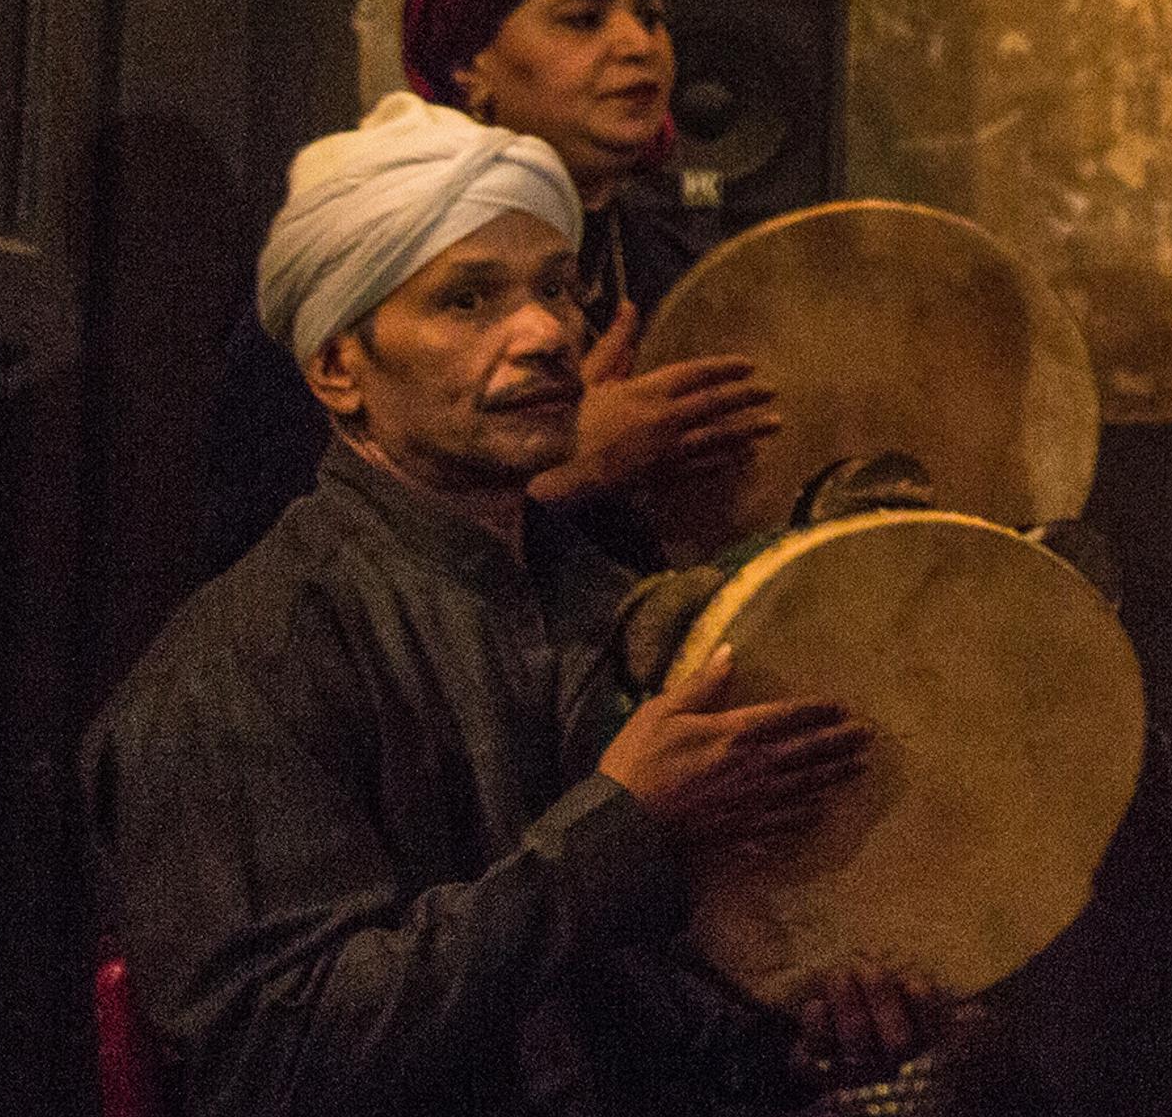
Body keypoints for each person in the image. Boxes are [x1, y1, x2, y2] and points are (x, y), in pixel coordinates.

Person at [85, 93, 937, 1117]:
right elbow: (273, 1060)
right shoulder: (246, 665)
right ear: (337, 368)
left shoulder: (605, 607)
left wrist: (795, 1039)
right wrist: (616, 839)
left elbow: (636, 1019)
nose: (545, 334)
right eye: (468, 301)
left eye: (558, 290)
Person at [204, 0, 775, 571]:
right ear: (469, 66)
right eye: (585, 19)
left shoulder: (676, 268)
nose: (637, 44)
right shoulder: (369, 256)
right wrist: (563, 469)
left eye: (652, 18)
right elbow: (275, 548)